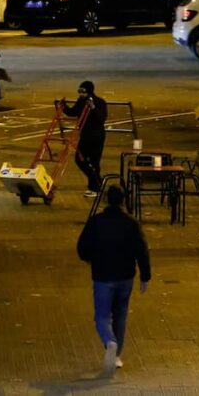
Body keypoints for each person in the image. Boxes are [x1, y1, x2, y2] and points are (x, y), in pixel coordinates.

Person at [76, 184, 151, 376]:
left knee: (102, 316)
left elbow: (82, 247)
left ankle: (109, 341)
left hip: (102, 275)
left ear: (106, 200)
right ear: (124, 201)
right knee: (120, 315)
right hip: (125, 276)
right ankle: (116, 355)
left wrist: (90, 258)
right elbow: (142, 250)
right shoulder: (131, 223)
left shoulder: (96, 222)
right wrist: (145, 276)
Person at [63, 80, 108, 198]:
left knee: (94, 162)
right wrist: (64, 107)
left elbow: (101, 118)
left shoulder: (100, 102)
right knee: (79, 159)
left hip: (97, 136)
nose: (81, 94)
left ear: (89, 91)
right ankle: (97, 182)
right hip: (85, 135)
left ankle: (94, 187)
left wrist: (93, 107)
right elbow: (73, 112)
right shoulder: (81, 101)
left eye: (83, 91)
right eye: (79, 91)